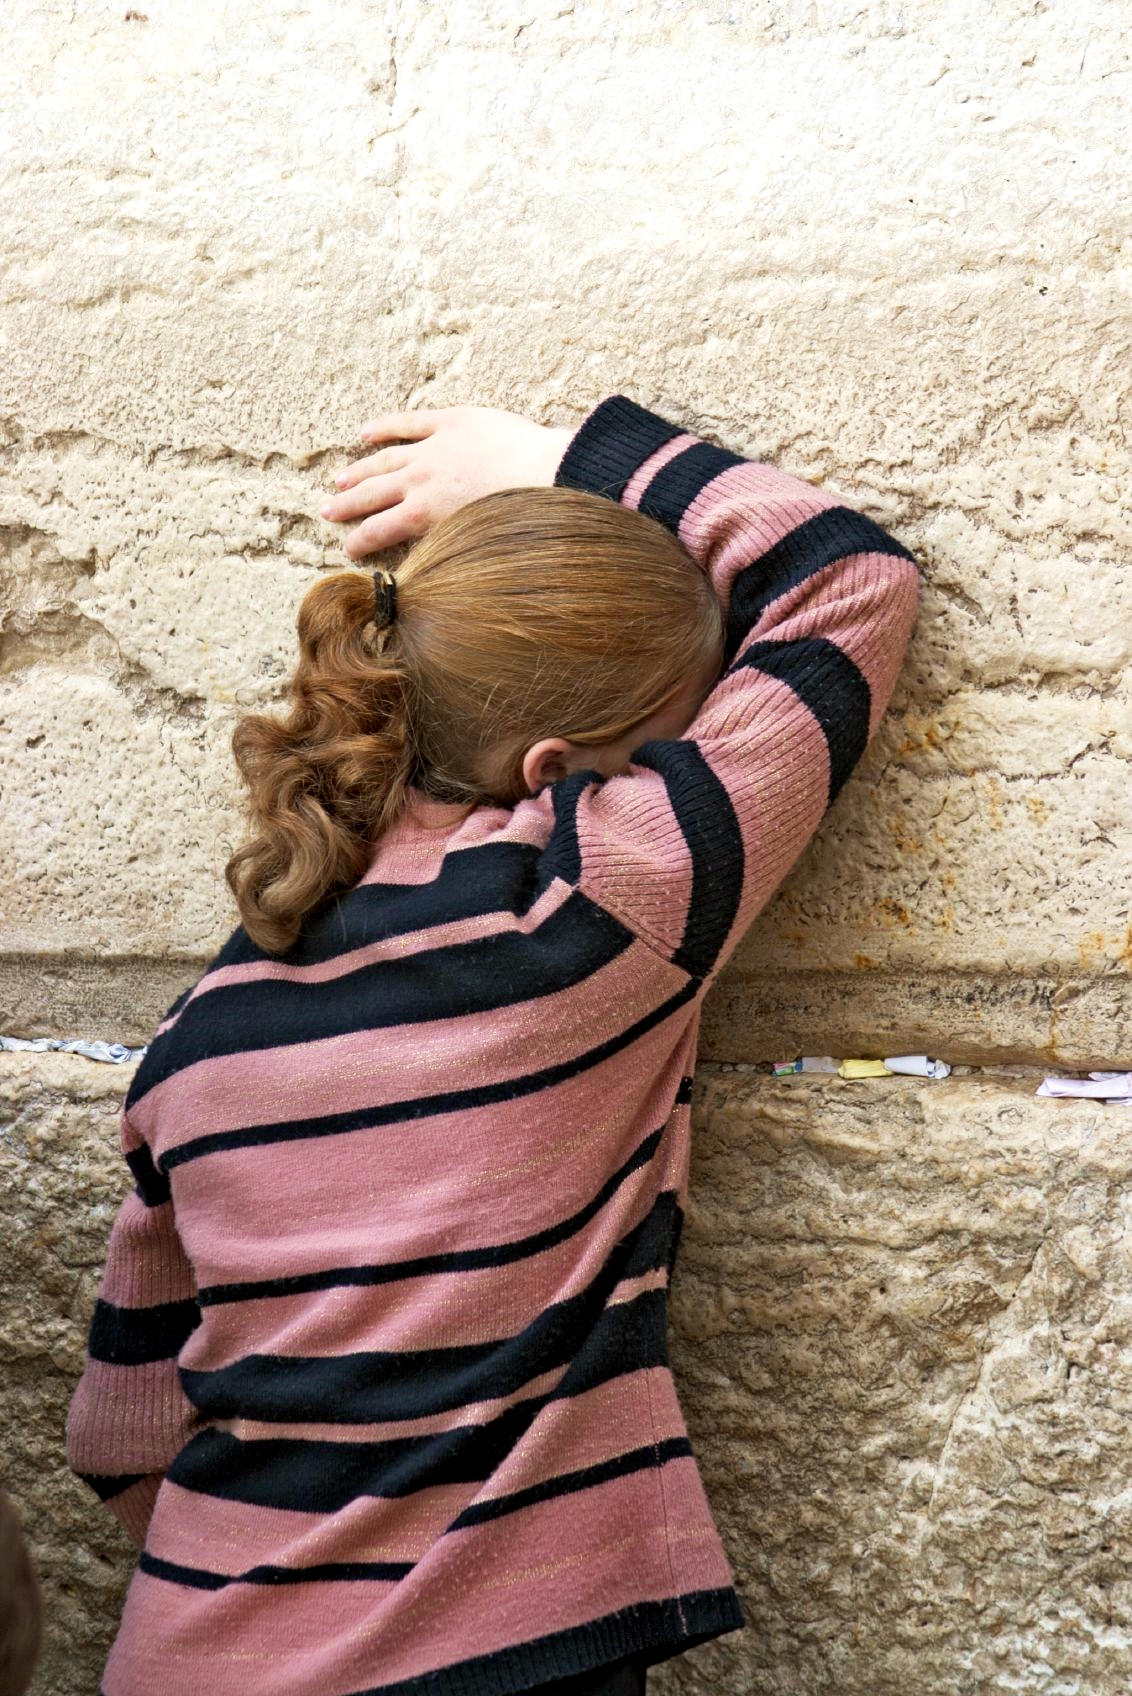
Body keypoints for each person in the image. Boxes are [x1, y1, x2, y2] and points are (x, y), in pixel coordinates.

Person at [65, 394, 919, 1696]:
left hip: (186, 1655)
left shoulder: (203, 1029)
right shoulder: (601, 898)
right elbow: (848, 580)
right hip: (495, 1664)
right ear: (556, 768)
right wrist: (553, 460)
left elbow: (123, 1433)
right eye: (675, 747)